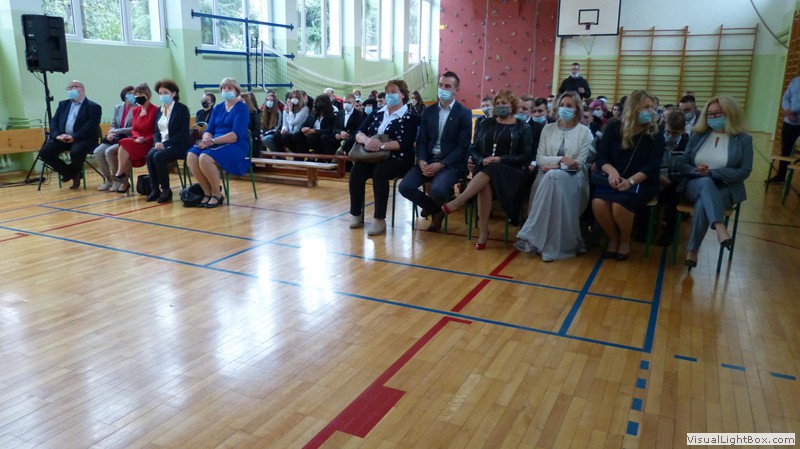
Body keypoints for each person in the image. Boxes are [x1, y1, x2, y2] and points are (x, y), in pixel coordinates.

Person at [441, 89, 533, 249]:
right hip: (485, 169)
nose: (500, 106)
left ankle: (459, 202)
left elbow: (526, 156)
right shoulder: (485, 123)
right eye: (498, 103)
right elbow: (474, 148)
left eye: (504, 103)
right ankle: (483, 231)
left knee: (492, 168)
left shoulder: (523, 127)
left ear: (512, 105)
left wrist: (501, 159)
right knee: (487, 178)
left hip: (512, 172)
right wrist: (481, 160)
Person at [515, 91, 594, 261]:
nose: (564, 108)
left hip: (574, 178)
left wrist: (557, 167)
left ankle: (543, 239)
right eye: (562, 105)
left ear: (577, 109)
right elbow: (540, 158)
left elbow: (579, 163)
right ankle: (546, 243)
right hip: (546, 175)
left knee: (554, 176)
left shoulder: (585, 132)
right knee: (552, 178)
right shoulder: (548, 129)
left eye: (569, 106)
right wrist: (562, 160)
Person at [678, 95, 752, 269]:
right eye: (709, 114)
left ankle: (692, 251)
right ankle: (719, 227)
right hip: (695, 183)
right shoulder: (698, 135)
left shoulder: (744, 140)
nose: (712, 117)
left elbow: (745, 171)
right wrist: (695, 170)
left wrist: (713, 172)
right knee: (706, 182)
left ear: (729, 113)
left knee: (703, 203)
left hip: (725, 188)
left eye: (717, 113)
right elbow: (683, 163)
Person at [591, 90, 664, 261]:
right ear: (633, 108)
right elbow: (601, 157)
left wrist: (631, 181)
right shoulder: (614, 127)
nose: (650, 111)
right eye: (646, 107)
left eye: (651, 107)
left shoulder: (655, 131)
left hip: (642, 181)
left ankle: (625, 240)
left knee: (619, 205)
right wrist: (612, 172)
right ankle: (613, 238)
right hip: (613, 178)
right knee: (598, 203)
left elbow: (653, 165)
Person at [399, 71, 472, 232]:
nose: (442, 89)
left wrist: (442, 164)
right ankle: (436, 209)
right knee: (405, 187)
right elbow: (422, 140)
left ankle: (433, 211)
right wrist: (422, 160)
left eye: (447, 86)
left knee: (438, 190)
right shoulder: (429, 111)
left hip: (451, 164)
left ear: (456, 90)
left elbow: (463, 147)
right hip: (428, 159)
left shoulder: (464, 113)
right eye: (440, 85)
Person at [348, 79, 420, 236]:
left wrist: (380, 146)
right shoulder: (377, 112)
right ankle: (355, 213)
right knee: (357, 170)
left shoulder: (410, 116)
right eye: (387, 92)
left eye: (393, 92)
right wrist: (367, 141)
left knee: (380, 171)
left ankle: (379, 220)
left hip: (399, 158)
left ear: (403, 95)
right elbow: (359, 132)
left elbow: (405, 143)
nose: (389, 95)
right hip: (373, 156)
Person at [186, 77, 251, 208]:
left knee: (205, 157)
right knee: (191, 155)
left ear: (236, 91)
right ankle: (207, 192)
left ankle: (217, 194)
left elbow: (235, 135)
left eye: (229, 88)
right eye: (223, 88)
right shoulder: (218, 108)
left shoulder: (241, 108)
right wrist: (206, 138)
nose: (226, 90)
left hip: (235, 145)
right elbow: (209, 129)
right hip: (215, 142)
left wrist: (213, 141)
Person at [37, 80, 102, 189]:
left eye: (74, 86)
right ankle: (72, 173)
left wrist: (74, 136)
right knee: (45, 152)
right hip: (63, 138)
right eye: (69, 88)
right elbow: (54, 122)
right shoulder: (63, 104)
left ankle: (72, 173)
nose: (71, 89)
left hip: (83, 139)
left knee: (76, 151)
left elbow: (91, 126)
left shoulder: (93, 106)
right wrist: (57, 135)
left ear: (82, 89)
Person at [144, 79, 192, 203]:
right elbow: (156, 131)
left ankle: (166, 190)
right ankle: (154, 189)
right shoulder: (159, 110)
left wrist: (165, 144)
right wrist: (157, 142)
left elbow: (183, 133)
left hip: (179, 145)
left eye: (165, 92)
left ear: (174, 93)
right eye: (160, 93)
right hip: (162, 144)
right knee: (150, 155)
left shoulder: (182, 109)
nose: (162, 95)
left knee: (158, 157)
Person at [112, 83, 158, 193]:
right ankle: (122, 177)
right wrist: (137, 137)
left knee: (124, 144)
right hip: (137, 140)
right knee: (124, 145)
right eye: (136, 94)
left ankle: (120, 174)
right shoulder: (136, 110)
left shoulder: (155, 110)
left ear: (148, 95)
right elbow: (134, 129)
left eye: (141, 94)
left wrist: (145, 139)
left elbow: (156, 131)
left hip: (149, 141)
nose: (138, 96)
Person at [654, 110, 688, 246]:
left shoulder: (687, 144)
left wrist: (671, 182)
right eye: (668, 132)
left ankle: (669, 232)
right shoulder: (656, 140)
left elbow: (687, 169)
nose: (670, 136)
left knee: (674, 198)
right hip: (655, 180)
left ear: (683, 131)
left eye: (675, 133)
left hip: (675, 184)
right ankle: (646, 227)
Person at [94, 85, 135, 191]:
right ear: (124, 95)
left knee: (109, 152)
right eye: (130, 93)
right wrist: (111, 133)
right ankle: (108, 180)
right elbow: (113, 124)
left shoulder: (138, 108)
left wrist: (117, 131)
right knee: (98, 152)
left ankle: (118, 180)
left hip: (127, 138)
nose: (132, 96)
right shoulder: (118, 107)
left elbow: (134, 128)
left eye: (134, 94)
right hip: (115, 138)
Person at [769, 76, 800, 183]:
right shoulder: (795, 81)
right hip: (789, 122)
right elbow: (785, 98)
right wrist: (788, 110)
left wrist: (793, 110)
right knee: (785, 150)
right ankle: (781, 176)